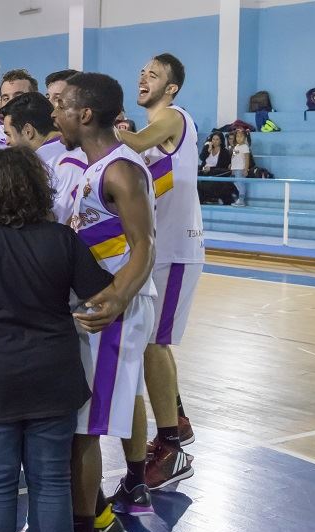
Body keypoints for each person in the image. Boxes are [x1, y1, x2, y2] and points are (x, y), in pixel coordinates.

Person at [0, 146, 115, 532]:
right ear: (38, 189)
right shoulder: (62, 239)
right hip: (53, 376)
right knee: (51, 481)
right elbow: (102, 296)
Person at [53, 73, 157, 532]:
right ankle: (86, 530)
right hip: (94, 307)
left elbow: (145, 247)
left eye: (62, 107)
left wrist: (115, 299)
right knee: (78, 430)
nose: (55, 116)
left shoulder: (122, 170)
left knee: (85, 430)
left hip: (113, 311)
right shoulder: (93, 168)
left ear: (85, 114)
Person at [115, 53, 202, 492]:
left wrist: (98, 125)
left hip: (176, 248)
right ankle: (177, 420)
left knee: (153, 343)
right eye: (141, 71)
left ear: (171, 88)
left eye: (154, 74)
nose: (143, 76)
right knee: (151, 342)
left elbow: (130, 143)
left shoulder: (170, 117)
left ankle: (171, 446)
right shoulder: (152, 133)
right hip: (159, 250)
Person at [0, 91, 87, 225]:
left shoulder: (40, 166)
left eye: (9, 134)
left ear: (28, 130)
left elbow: (59, 223)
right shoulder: (83, 147)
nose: (7, 142)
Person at [231, 128, 252, 205]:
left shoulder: (245, 147)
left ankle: (241, 200)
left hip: (241, 168)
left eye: (241, 136)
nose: (239, 138)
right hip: (235, 168)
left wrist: (246, 169)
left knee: (240, 183)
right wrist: (232, 166)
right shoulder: (236, 146)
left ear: (245, 137)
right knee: (236, 182)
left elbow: (247, 159)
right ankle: (239, 197)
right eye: (237, 136)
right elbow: (233, 157)